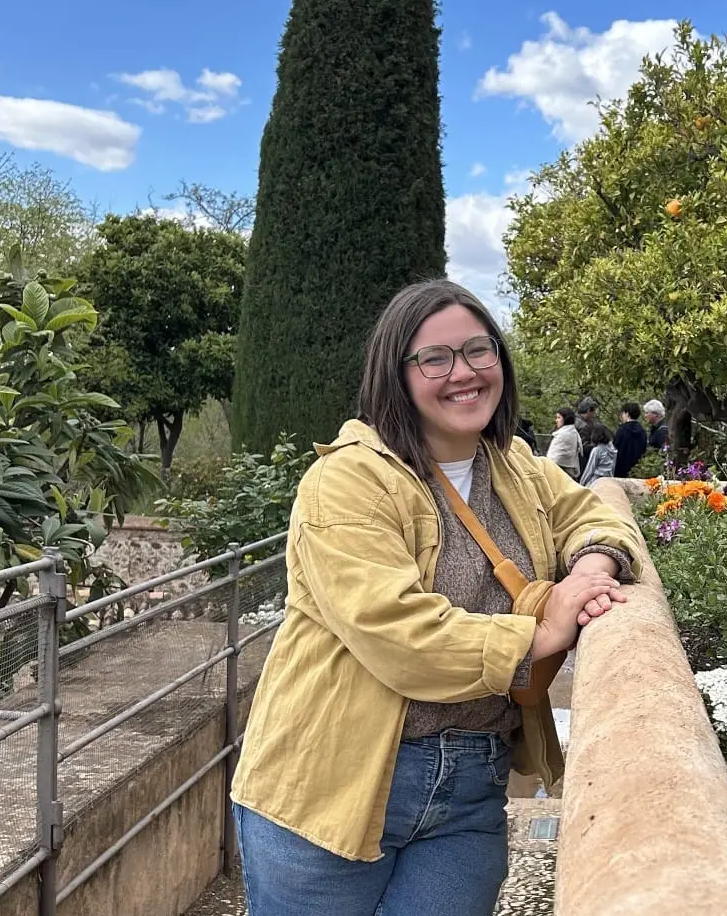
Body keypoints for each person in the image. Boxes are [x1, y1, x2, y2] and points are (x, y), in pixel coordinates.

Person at [230, 280, 641, 916]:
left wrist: (593, 562)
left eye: (479, 351)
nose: (464, 373)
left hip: (472, 784)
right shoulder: (346, 482)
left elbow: (593, 513)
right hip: (331, 782)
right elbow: (400, 636)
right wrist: (538, 633)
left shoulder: (513, 465)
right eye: (435, 359)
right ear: (396, 375)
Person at [613, 403, 648, 478]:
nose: (622, 416)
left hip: (621, 469)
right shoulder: (642, 431)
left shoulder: (622, 430)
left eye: (623, 413)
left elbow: (615, 448)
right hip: (637, 469)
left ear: (627, 414)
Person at [547, 408, 582, 480]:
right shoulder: (573, 432)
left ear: (565, 419)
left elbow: (555, 458)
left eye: (559, 417)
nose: (556, 420)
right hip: (568, 471)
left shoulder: (564, 434)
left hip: (560, 472)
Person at [574, 396, 607, 472]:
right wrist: (598, 444)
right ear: (589, 411)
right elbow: (584, 448)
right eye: (593, 412)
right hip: (580, 462)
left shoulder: (573, 419)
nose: (594, 415)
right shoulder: (584, 426)